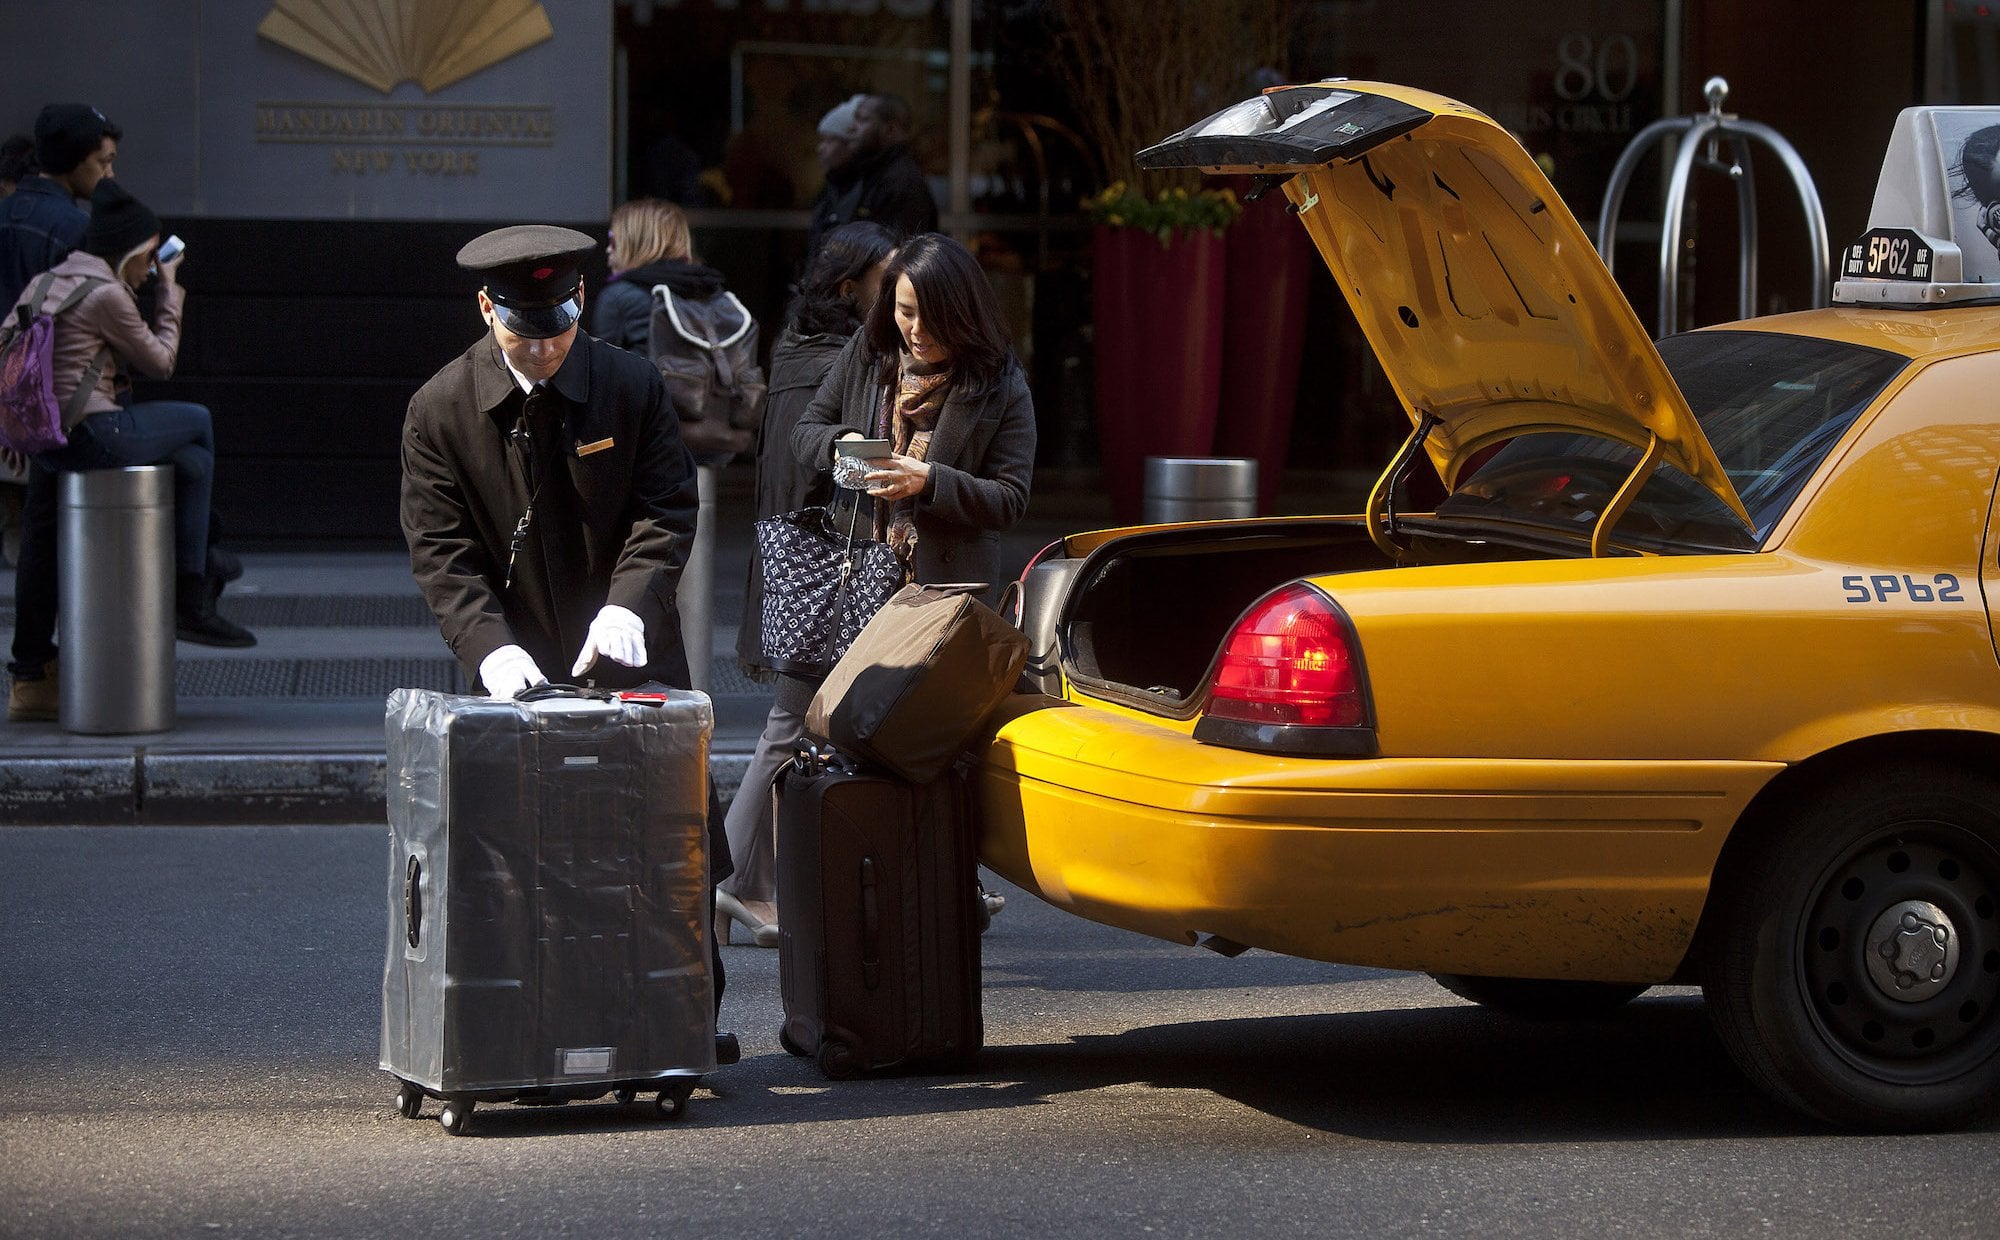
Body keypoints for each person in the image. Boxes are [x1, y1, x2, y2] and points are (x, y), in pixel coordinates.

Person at [398, 224, 735, 1032]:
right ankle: (531, 1027)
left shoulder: (629, 384)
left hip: (625, 649)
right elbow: (442, 553)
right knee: (520, 858)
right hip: (515, 665)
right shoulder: (440, 409)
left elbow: (664, 509)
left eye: (559, 329)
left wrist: (630, 603)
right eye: (525, 333)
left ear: (580, 302)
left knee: (665, 847)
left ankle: (680, 1016)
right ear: (487, 309)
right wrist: (490, 650)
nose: (545, 350)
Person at [788, 232, 1038, 926]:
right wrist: (845, 452)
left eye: (931, 316)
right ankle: (871, 893)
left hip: (942, 601)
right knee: (853, 740)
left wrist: (932, 481)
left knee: (935, 750)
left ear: (964, 313)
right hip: (862, 581)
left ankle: (946, 891)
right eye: (903, 311)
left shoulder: (999, 383)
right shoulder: (869, 354)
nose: (915, 330)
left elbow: (1011, 497)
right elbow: (805, 429)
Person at [715, 219, 897, 947]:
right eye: (888, 280)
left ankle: (741, 885)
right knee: (789, 727)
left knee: (791, 728)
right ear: (850, 286)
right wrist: (890, 464)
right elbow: (821, 465)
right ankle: (725, 881)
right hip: (827, 565)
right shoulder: (833, 361)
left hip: (807, 561)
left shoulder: (800, 346)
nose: (898, 295)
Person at [6, 178, 255, 665]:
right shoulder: (106, 296)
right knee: (198, 420)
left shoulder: (45, 283)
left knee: (192, 462)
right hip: (96, 436)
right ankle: (192, 589)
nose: (146, 271)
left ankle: (198, 565)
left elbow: (10, 358)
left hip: (51, 442)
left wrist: (17, 429)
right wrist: (170, 292)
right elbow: (161, 362)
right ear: (126, 254)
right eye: (146, 259)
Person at [2, 104, 123, 719]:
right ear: (77, 163)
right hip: (48, 409)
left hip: (9, 401)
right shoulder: (72, 232)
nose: (107, 175)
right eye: (101, 162)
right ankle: (35, 673)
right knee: (49, 538)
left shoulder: (7, 214)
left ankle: (32, 671)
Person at [588, 197, 725, 354]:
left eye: (613, 240)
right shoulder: (710, 289)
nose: (608, 250)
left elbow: (602, 368)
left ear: (635, 244)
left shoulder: (618, 297)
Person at [839, 94, 940, 243]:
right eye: (855, 119)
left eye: (863, 120)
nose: (853, 127)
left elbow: (897, 254)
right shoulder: (873, 173)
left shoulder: (902, 182)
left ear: (890, 130)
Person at [804, 96, 866, 259]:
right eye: (822, 140)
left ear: (850, 144)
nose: (821, 148)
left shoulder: (860, 190)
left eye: (830, 140)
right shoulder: (831, 189)